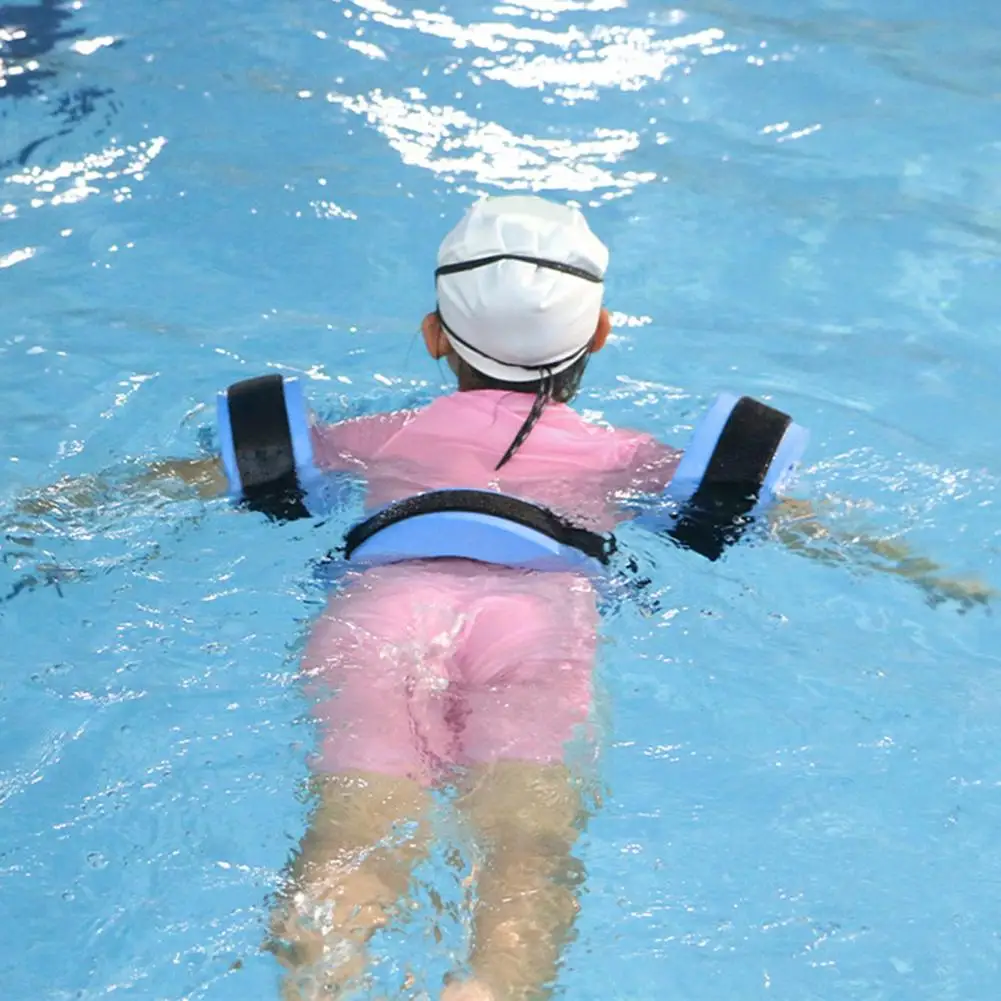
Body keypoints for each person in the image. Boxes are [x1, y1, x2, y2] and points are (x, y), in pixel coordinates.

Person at [11, 197, 993, 1001]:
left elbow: (172, 483)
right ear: (599, 335)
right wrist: (943, 578)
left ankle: (323, 976)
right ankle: (485, 985)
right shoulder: (625, 459)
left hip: (381, 607)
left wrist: (39, 508)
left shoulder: (378, 435)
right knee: (524, 841)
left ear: (434, 337)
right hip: (538, 619)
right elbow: (810, 524)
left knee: (351, 829)